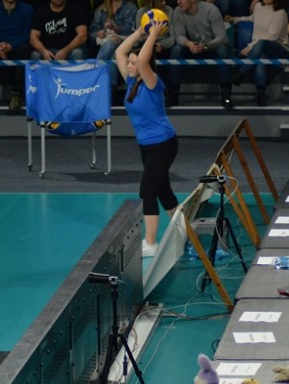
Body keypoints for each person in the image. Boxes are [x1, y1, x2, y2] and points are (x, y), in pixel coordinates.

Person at [114, 19, 179, 258]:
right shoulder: (132, 81)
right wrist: (140, 31)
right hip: (146, 146)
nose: (130, 65)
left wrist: (153, 34)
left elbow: (142, 61)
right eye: (130, 63)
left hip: (163, 144)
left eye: (134, 63)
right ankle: (184, 230)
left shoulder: (153, 83)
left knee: (147, 191)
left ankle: (150, 243)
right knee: (163, 191)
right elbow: (119, 52)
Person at [168, 0, 233, 109]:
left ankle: (226, 94)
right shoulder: (178, 11)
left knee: (222, 50)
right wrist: (188, 44)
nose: (178, 2)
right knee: (176, 50)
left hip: (210, 47)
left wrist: (206, 46)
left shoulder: (211, 10)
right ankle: (173, 93)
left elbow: (222, 37)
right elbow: (179, 36)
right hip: (193, 47)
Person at [228, 0, 289, 107]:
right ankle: (261, 94)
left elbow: (272, 37)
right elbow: (250, 18)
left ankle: (242, 73)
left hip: (278, 48)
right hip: (260, 49)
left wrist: (250, 48)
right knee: (260, 58)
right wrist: (233, 19)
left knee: (262, 44)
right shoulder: (258, 7)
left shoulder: (280, 12)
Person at [89, 0, 137, 88]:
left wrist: (115, 28)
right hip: (105, 39)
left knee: (111, 43)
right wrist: (98, 33)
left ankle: (95, 73)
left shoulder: (130, 8)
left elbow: (131, 29)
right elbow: (92, 30)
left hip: (125, 38)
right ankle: (112, 87)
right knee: (113, 52)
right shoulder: (101, 9)